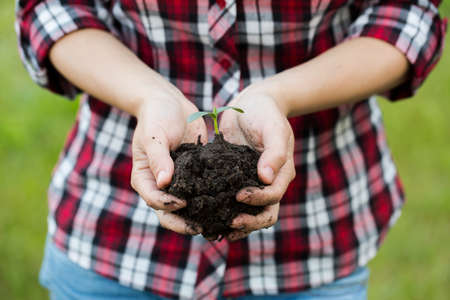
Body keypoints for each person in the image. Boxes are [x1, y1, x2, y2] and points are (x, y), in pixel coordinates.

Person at [16, 0, 446, 299]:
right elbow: (53, 10)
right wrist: (148, 96)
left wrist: (280, 96)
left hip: (312, 236)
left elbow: (405, 17)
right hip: (114, 232)